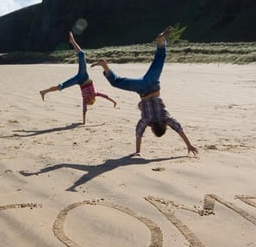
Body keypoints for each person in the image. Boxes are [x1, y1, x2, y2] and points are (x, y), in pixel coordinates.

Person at [91, 27, 198, 157]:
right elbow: (138, 133)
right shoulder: (147, 120)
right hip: (142, 89)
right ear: (153, 129)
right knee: (116, 82)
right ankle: (104, 65)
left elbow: (179, 129)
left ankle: (160, 41)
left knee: (160, 57)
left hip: (153, 84)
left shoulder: (166, 118)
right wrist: (138, 151)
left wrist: (189, 144)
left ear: (164, 126)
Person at [40, 31, 117, 124]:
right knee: (61, 85)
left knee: (81, 55)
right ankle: (44, 91)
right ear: (91, 100)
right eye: (90, 101)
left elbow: (86, 109)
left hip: (82, 77)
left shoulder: (92, 96)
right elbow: (104, 98)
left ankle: (44, 91)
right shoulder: (92, 96)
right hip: (81, 78)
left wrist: (113, 102)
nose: (88, 101)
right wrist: (113, 102)